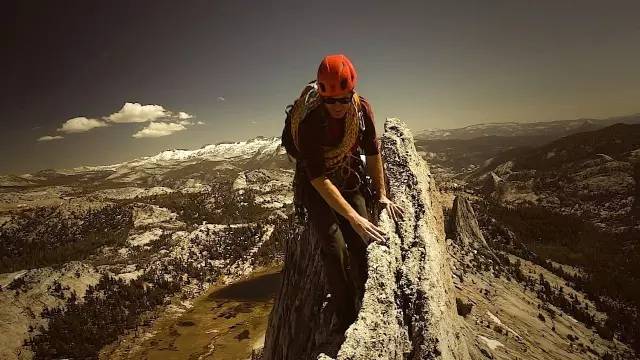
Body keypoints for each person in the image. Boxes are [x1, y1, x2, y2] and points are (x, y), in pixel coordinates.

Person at [294, 54, 405, 334]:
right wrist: (353, 217)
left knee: (362, 237)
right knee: (334, 246)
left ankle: (367, 290)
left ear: (352, 94)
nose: (338, 106)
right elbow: (317, 178)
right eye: (330, 100)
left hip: (345, 170)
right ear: (320, 95)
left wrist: (381, 194)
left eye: (343, 99)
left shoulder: (361, 110)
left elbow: (372, 152)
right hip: (316, 182)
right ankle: (346, 317)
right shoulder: (310, 123)